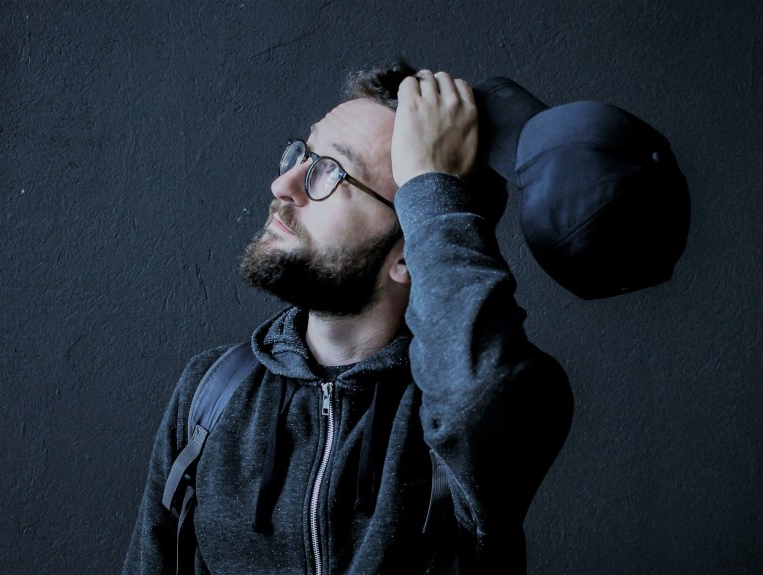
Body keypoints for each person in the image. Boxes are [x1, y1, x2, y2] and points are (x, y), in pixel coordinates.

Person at [123, 60, 574, 574]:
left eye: (330, 172)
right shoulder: (211, 395)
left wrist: (431, 182)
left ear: (411, 249)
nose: (283, 184)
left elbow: (476, 397)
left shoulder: (495, 403)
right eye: (302, 154)